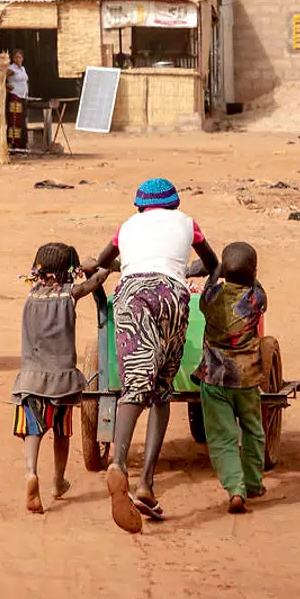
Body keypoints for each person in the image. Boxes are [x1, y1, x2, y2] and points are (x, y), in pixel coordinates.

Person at [93, 177, 218, 533]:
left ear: (140, 206)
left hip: (132, 294)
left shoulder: (128, 227)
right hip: (172, 295)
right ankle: (146, 482)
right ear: (174, 204)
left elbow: (102, 261)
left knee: (134, 385)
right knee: (161, 390)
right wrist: (187, 269)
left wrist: (114, 265)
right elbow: (211, 262)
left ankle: (118, 462)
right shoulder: (187, 223)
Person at [12, 242, 111, 514]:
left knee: (33, 429)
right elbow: (99, 279)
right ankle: (57, 481)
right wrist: (97, 268)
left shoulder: (31, 296)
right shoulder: (69, 294)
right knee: (61, 432)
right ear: (70, 271)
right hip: (62, 381)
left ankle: (31, 472)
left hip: (30, 379)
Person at [194, 241, 272, 515]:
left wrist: (215, 271)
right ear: (253, 272)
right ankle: (253, 483)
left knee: (222, 437)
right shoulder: (255, 299)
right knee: (253, 430)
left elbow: (207, 290)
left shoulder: (211, 297)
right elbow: (259, 289)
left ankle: (235, 489)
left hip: (214, 378)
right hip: (248, 378)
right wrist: (249, 274)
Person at [5, 49, 29, 150]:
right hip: (15, 96)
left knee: (22, 121)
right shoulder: (11, 69)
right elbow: (1, 77)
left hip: (22, 96)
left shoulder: (22, 69)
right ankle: (13, 144)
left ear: (22, 58)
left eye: (19, 57)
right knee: (15, 121)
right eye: (16, 57)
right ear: (13, 59)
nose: (18, 59)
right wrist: (6, 86)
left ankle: (22, 144)